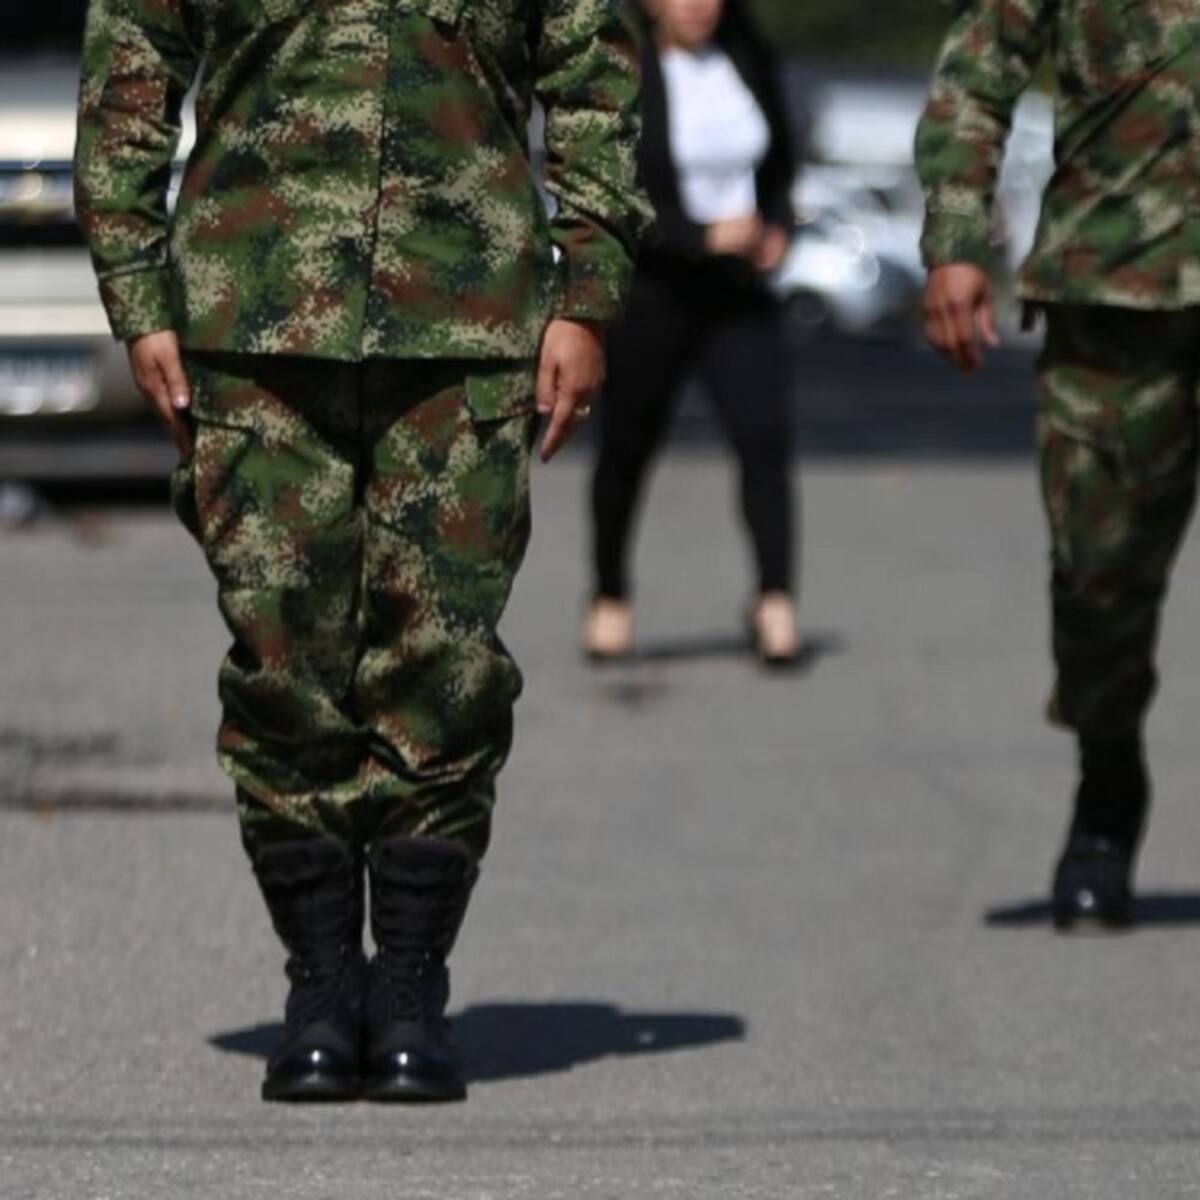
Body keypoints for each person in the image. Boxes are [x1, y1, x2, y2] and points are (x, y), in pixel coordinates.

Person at [75, 0, 648, 1101]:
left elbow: (594, 76)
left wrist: (588, 295)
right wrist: (136, 292)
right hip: (254, 318)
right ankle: (321, 987)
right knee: (283, 664)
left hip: (467, 322)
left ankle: (412, 991)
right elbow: (132, 67)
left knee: (443, 665)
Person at [916, 2, 1200, 929]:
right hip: (1113, 296)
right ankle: (1107, 785)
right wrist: (957, 238)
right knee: (1097, 577)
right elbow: (980, 68)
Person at [583, 0, 800, 666]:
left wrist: (777, 224)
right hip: (656, 292)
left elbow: (783, 155)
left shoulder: (746, 55)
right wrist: (698, 237)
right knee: (627, 448)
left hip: (737, 293)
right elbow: (614, 191)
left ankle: (774, 599)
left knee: (764, 434)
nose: (699, 5)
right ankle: (611, 593)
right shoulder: (625, 69)